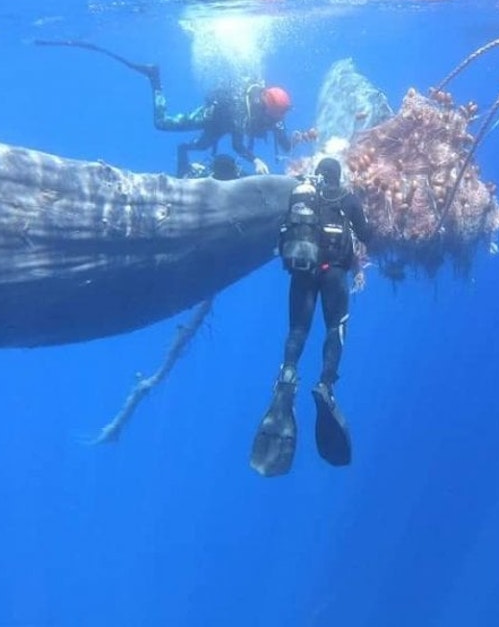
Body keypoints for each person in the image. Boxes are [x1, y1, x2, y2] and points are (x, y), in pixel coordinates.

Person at [250, 156, 370, 477]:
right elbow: (366, 233)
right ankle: (326, 384)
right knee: (335, 328)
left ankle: (287, 376)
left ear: (318, 175)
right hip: (334, 273)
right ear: (338, 175)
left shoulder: (301, 194)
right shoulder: (348, 198)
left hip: (302, 271)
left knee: (298, 330)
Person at [142, 65, 293, 178]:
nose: (275, 122)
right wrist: (256, 160)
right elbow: (237, 145)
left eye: (278, 118)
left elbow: (286, 146)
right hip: (213, 118)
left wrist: (300, 138)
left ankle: (185, 161)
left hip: (227, 125)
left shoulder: (275, 115)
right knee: (162, 123)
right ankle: (154, 78)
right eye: (273, 118)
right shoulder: (240, 107)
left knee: (201, 145)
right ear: (264, 109)